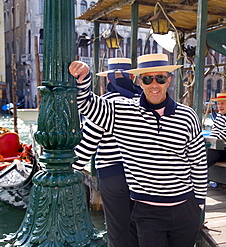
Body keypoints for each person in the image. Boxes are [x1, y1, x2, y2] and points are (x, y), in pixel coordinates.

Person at [69, 53, 208, 247]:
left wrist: (199, 201)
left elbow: (198, 161)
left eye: (159, 78)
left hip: (185, 207)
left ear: (168, 80)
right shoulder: (120, 110)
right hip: (147, 210)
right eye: (147, 78)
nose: (154, 84)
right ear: (139, 81)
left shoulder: (187, 116)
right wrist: (84, 76)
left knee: (120, 235)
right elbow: (86, 104)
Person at [72, 58, 141, 247]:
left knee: (117, 232)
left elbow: (88, 144)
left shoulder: (105, 104)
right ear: (132, 77)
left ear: (108, 80)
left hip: (113, 175)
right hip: (142, 175)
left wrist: (72, 167)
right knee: (138, 228)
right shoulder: (143, 102)